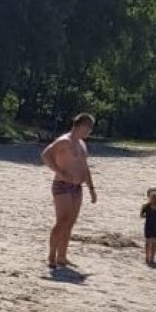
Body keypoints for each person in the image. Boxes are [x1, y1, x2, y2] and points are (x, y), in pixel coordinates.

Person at [40, 113, 98, 271]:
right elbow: (46, 155)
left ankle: (62, 256)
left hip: (77, 187)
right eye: (89, 128)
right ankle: (52, 255)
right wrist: (60, 172)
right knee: (62, 221)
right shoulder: (64, 140)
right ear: (81, 125)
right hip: (62, 185)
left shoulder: (82, 144)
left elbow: (85, 168)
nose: (90, 132)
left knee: (70, 223)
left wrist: (91, 188)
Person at [141, 187, 156, 266]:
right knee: (152, 243)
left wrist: (148, 216)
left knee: (149, 242)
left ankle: (148, 258)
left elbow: (141, 215)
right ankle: (150, 259)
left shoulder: (146, 205)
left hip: (150, 225)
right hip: (154, 225)